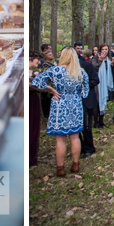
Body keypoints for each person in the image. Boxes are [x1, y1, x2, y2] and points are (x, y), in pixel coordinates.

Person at [31, 47, 89, 176]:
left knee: (60, 139)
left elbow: (36, 82)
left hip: (60, 104)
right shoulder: (80, 71)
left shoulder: (55, 70)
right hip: (75, 104)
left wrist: (50, 89)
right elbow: (85, 92)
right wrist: (76, 95)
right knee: (75, 137)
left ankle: (60, 168)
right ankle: (75, 164)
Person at [76, 47, 99, 157]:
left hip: (86, 99)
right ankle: (79, 147)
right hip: (73, 101)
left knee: (86, 126)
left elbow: (95, 80)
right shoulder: (64, 69)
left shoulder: (86, 65)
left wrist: (82, 87)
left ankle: (90, 148)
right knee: (76, 127)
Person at [93, 44, 113, 128]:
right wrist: (100, 60)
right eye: (103, 49)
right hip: (98, 83)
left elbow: (109, 70)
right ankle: (96, 122)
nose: (105, 51)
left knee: (104, 101)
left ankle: (101, 121)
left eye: (106, 49)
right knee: (97, 102)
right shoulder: (95, 58)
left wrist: (112, 64)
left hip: (105, 82)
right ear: (100, 50)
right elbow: (94, 68)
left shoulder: (108, 59)